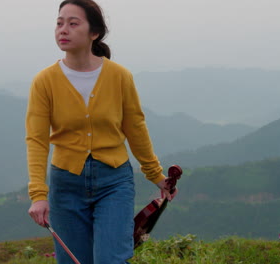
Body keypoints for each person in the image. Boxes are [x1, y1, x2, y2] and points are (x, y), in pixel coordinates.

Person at [25, 0, 177, 263]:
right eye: (59, 23)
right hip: (66, 184)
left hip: (114, 182)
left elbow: (135, 128)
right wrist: (38, 195)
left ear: (94, 32)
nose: (63, 29)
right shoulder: (44, 81)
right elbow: (37, 140)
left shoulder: (119, 77)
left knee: (112, 259)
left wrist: (156, 175)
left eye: (73, 24)